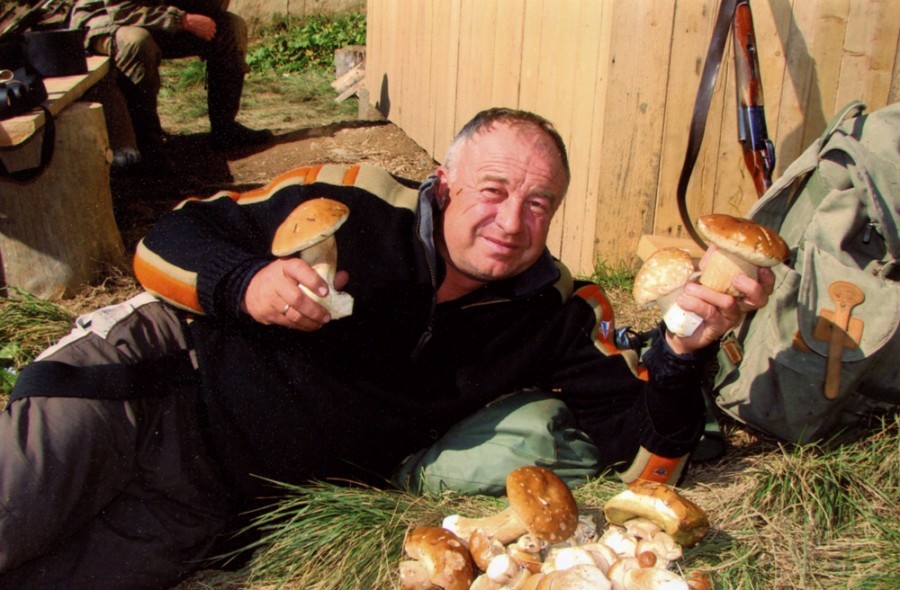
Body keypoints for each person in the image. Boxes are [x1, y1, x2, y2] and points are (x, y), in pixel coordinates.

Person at [0, 108, 773, 589]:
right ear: (445, 182)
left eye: (539, 203)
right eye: (493, 190)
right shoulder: (354, 199)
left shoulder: (555, 311)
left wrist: (685, 353)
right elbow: (165, 240)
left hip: (211, 503)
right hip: (145, 386)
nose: (512, 222)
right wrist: (246, 284)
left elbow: (645, 462)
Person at [68, 0, 273, 172]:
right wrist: (182, 20)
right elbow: (121, 10)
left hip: (157, 17)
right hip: (106, 18)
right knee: (137, 43)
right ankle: (148, 147)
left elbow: (213, 9)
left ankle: (225, 130)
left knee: (231, 27)